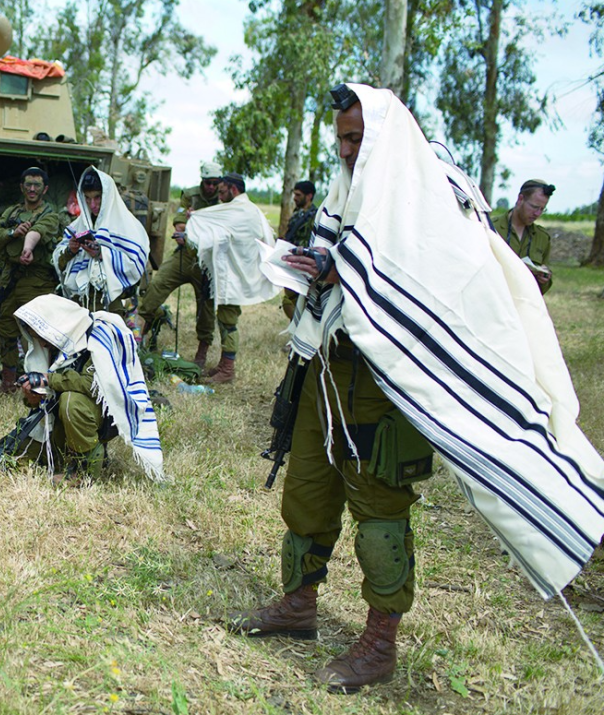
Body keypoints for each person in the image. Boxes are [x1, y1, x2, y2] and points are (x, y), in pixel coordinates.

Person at [233, 83, 604, 694]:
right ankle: (297, 604)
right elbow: (342, 253)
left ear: (383, 137)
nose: (348, 151)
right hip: (326, 366)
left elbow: (435, 270)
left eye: (358, 139)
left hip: (388, 381)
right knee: (306, 489)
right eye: (342, 141)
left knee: (379, 511)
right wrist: (310, 269)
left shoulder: (433, 193)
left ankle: (380, 643)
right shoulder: (342, 195)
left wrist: (350, 272)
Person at [13, 294, 164, 486]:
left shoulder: (98, 335)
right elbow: (43, 395)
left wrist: (49, 379)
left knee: (71, 402)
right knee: (16, 457)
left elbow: (93, 385)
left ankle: (85, 470)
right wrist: (33, 396)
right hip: (57, 415)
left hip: (101, 415)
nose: (41, 344)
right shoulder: (54, 343)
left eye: (41, 337)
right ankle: (63, 454)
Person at [186, 173, 277, 384]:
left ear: (233, 190)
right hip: (234, 271)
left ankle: (228, 369)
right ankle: (223, 364)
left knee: (228, 320)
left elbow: (221, 228)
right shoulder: (245, 209)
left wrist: (197, 219)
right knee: (225, 317)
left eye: (222, 191)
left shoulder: (240, 211)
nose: (219, 196)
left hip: (236, 274)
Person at [137, 161, 221, 366]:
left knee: (207, 306)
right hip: (185, 254)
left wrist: (195, 227)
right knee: (156, 287)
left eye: (214, 183)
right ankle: (138, 338)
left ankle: (202, 352)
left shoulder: (224, 200)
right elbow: (180, 223)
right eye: (207, 183)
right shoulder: (191, 194)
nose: (210, 187)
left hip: (208, 260)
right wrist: (191, 229)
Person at [0, 167, 62, 392]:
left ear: (45, 189)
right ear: (21, 187)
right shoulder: (11, 213)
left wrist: (26, 247)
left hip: (37, 281)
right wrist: (13, 234)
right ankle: (9, 380)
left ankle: (41, 381)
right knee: (5, 328)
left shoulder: (50, 214)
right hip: (11, 279)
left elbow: (37, 232)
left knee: (38, 332)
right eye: (28, 184)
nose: (32, 189)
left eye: (37, 185)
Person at [53, 167, 149, 317]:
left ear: (108, 196)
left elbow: (134, 265)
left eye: (97, 197)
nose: (92, 205)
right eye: (88, 198)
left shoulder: (128, 226)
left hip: (108, 303)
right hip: (78, 303)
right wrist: (70, 251)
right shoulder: (78, 225)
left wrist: (102, 254)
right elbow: (59, 263)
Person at [491, 179, 555, 293]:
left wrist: (544, 280)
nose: (537, 214)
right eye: (534, 207)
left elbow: (541, 291)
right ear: (520, 199)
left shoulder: (542, 238)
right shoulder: (490, 228)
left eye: (542, 209)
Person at [281, 180, 318, 318]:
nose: (295, 198)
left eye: (298, 195)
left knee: (297, 303)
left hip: (305, 266)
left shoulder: (315, 216)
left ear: (309, 196)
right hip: (292, 264)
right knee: (289, 301)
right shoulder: (297, 214)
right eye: (294, 194)